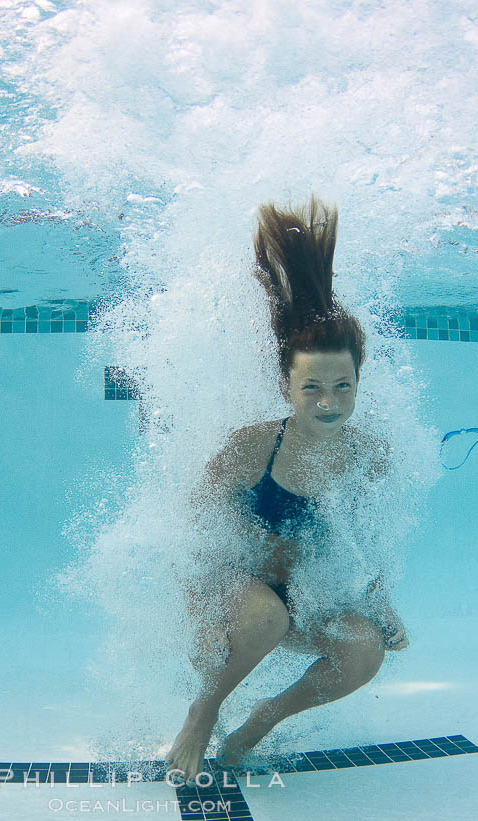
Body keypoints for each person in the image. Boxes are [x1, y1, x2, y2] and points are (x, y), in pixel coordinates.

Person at [165, 195, 408, 784]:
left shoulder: (370, 458)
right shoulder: (254, 447)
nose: (329, 403)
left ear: (358, 380)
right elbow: (189, 528)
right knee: (262, 619)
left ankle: (262, 720)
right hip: (235, 597)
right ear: (285, 386)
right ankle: (205, 711)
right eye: (312, 388)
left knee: (364, 650)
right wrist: (203, 601)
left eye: (344, 386)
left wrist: (380, 604)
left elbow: (370, 546)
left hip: (297, 598)